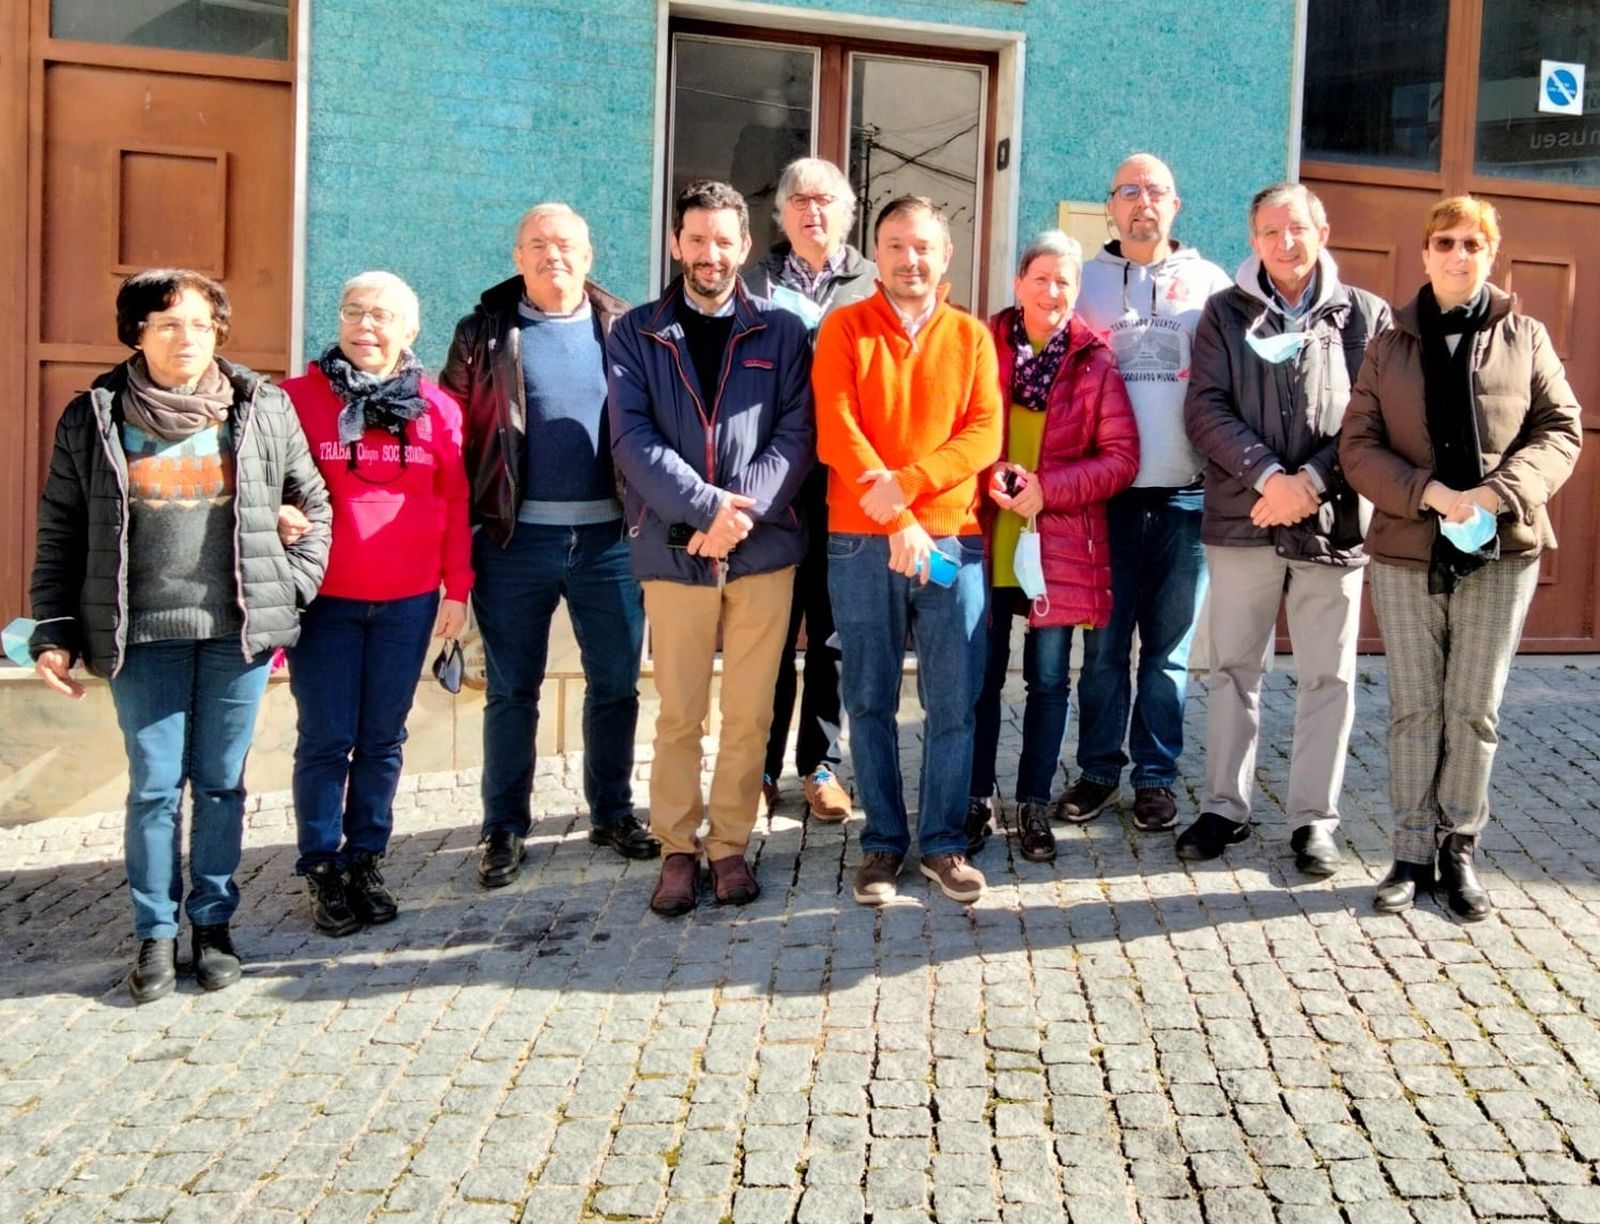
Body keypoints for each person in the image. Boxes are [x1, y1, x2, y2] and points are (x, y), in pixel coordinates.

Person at [29, 268, 329, 1003]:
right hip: (141, 634)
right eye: (166, 324)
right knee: (154, 789)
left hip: (235, 630)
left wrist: (291, 584)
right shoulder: (94, 415)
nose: (184, 338)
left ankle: (214, 924)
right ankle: (155, 932)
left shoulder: (262, 407)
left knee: (222, 785)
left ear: (218, 331)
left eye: (198, 323)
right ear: (137, 333)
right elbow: (61, 530)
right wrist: (54, 630)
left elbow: (311, 500)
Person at [1341, 195, 1581, 920]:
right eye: (1444, 242)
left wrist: (1499, 494)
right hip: (1410, 550)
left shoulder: (1526, 335)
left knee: (1474, 710)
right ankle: (1410, 854)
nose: (1457, 255)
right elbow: (1358, 446)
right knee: (1415, 708)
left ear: (1491, 253)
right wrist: (1430, 494)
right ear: (1424, 253)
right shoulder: (1389, 343)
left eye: (1472, 244)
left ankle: (1458, 850)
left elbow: (1559, 430)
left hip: (1501, 552)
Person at [608, 180, 814, 916]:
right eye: (696, 239)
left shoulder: (783, 331)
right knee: (679, 715)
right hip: (673, 548)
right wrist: (704, 510)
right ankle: (676, 848)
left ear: (745, 247)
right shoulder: (635, 332)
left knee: (751, 713)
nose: (710, 253)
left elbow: (797, 436)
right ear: (675, 244)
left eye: (724, 240)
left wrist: (738, 515)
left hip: (763, 550)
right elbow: (632, 441)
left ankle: (729, 846)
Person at [1177, 183, 1391, 871]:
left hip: (1334, 523)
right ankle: (1223, 808)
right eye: (1270, 231)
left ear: (1321, 230)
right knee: (1234, 668)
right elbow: (1205, 409)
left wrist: (1312, 484)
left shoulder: (1365, 316)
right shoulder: (1224, 313)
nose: (1284, 242)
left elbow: (1373, 417)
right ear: (1254, 240)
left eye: (1296, 227)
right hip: (1245, 519)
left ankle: (1312, 822)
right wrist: (1271, 478)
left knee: (1328, 675)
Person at [440, 203, 654, 890]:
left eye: (564, 243)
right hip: (513, 540)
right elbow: (453, 437)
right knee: (510, 691)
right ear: (517, 256)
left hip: (610, 543)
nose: (551, 254)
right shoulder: (482, 334)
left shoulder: (627, 330)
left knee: (616, 685)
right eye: (536, 244)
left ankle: (613, 812)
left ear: (589, 256)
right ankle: (503, 827)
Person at [813, 195, 1003, 906]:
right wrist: (896, 521)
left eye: (922, 246)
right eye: (895, 245)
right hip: (862, 543)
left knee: (954, 701)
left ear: (944, 255)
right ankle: (883, 843)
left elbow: (983, 436)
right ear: (877, 254)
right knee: (868, 697)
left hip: (953, 540)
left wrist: (911, 495)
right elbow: (836, 430)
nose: (909, 258)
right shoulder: (845, 329)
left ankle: (944, 844)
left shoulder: (971, 338)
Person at [280, 271, 472, 934]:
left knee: (383, 737)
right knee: (327, 738)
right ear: (337, 321)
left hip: (410, 600)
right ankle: (322, 865)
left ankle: (365, 857)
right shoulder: (295, 401)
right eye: (355, 312)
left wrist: (459, 588)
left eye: (383, 315)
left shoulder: (437, 407)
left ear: (409, 331)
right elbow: (265, 486)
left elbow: (453, 500)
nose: (367, 325)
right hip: (324, 601)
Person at [1062, 153, 1232, 833]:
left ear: (1176, 205)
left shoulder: (1210, 284)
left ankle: (1156, 777)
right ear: (1110, 206)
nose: (1142, 203)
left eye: (1156, 191)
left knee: (1168, 654)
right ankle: (1099, 770)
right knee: (1104, 650)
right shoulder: (1083, 283)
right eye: (1128, 191)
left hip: (1187, 499)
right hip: (1105, 502)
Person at [968, 232, 1139, 863]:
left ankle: (1033, 803)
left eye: (1065, 281)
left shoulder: (1095, 360)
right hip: (984, 540)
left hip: (1057, 548)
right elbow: (957, 431)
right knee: (980, 681)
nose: (1052, 291)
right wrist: (986, 475)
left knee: (1047, 683)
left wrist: (1050, 489)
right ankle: (973, 798)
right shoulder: (981, 347)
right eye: (1040, 278)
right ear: (1018, 284)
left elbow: (1122, 459)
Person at [743, 156, 879, 823]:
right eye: (799, 200)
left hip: (848, 490)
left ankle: (821, 765)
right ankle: (759, 767)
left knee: (833, 635)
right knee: (767, 631)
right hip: (771, 490)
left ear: (849, 213)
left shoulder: (876, 284)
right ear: (782, 214)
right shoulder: (752, 284)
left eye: (826, 200)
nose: (812, 211)